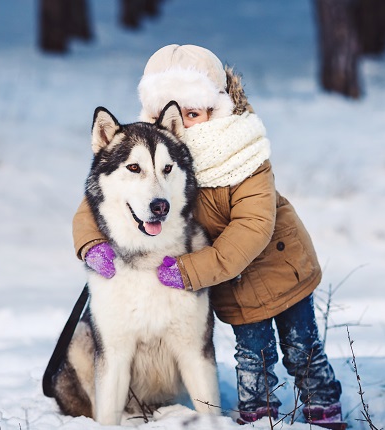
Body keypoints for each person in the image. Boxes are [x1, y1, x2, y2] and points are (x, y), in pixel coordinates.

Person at [73, 44, 345, 428]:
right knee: (252, 353)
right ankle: (258, 413)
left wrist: (191, 271)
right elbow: (94, 203)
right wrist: (92, 244)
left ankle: (324, 404)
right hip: (230, 279)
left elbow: (251, 228)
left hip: (278, 266)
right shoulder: (158, 150)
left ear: (215, 109)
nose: (186, 121)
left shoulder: (242, 155)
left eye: (194, 112)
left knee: (302, 347)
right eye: (175, 112)